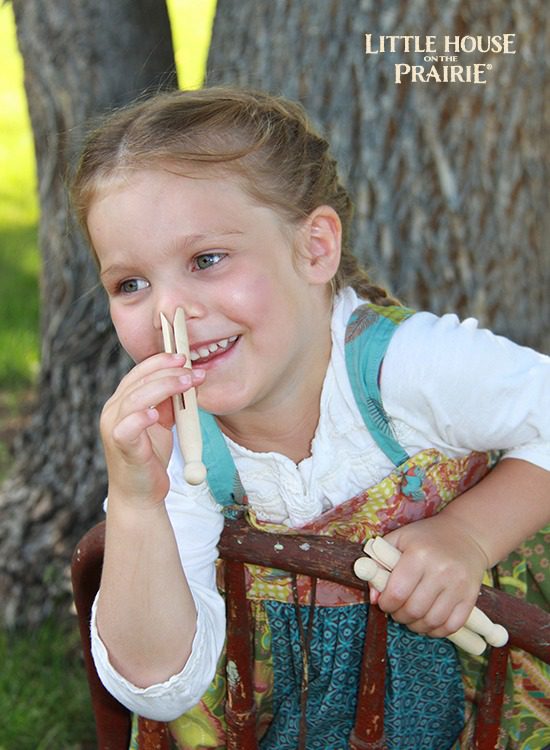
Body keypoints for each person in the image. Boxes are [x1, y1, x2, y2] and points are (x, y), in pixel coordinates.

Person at [71, 87, 550, 750]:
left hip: (474, 700)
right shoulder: (173, 448)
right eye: (131, 283)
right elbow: (159, 682)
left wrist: (468, 536)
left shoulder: (404, 368)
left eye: (207, 260)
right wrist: (133, 503)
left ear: (316, 248)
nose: (167, 314)